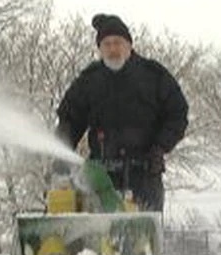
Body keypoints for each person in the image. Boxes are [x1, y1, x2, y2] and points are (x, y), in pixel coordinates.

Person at [55, 13, 189, 212]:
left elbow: (177, 113)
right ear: (100, 49)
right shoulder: (89, 81)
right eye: (106, 44)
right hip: (100, 178)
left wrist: (160, 147)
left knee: (142, 239)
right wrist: (61, 155)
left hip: (144, 176)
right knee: (99, 239)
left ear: (129, 45)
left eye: (117, 43)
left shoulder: (153, 76)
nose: (112, 49)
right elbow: (70, 120)